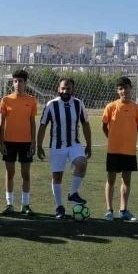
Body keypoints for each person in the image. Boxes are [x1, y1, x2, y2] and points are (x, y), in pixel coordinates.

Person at [37, 78, 92, 219]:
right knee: (57, 176)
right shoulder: (51, 105)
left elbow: (85, 124)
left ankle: (73, 193)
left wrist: (89, 144)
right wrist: (39, 145)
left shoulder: (78, 104)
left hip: (74, 144)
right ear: (58, 89)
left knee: (82, 163)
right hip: (57, 145)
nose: (65, 91)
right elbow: (43, 125)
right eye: (63, 88)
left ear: (73, 90)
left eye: (68, 89)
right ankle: (59, 207)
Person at [101, 77, 138, 221]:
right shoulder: (111, 106)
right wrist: (112, 138)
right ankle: (109, 210)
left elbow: (137, 127)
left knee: (126, 180)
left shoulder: (136, 108)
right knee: (111, 179)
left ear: (131, 88)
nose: (123, 91)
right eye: (120, 89)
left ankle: (123, 210)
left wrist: (128, 140)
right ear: (117, 91)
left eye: (126, 88)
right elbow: (104, 126)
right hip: (113, 149)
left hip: (129, 150)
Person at [0, 70, 38, 215]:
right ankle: (9, 204)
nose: (17, 84)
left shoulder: (31, 100)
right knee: (10, 173)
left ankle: (25, 205)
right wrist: (1, 143)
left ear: (25, 83)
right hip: (9, 142)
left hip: (26, 143)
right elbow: (1, 124)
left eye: (20, 81)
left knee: (25, 174)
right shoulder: (6, 100)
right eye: (15, 81)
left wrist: (33, 142)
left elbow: (32, 122)